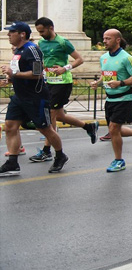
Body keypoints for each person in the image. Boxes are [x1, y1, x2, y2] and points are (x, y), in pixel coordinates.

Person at [0, 21, 67, 176]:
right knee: (10, 126)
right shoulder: (18, 51)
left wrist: (13, 74)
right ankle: (12, 162)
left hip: (35, 97)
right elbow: (20, 73)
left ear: (22, 34)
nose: (8, 35)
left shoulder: (32, 49)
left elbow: (37, 73)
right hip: (19, 97)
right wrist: (10, 79)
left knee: (45, 129)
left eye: (12, 32)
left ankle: (60, 155)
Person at [30, 17, 98, 164]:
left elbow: (79, 59)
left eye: (42, 31)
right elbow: (41, 61)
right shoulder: (41, 43)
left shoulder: (62, 42)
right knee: (59, 115)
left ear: (50, 28)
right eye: (38, 32)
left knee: (51, 115)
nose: (40, 34)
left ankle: (47, 151)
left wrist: (65, 68)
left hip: (62, 82)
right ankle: (89, 126)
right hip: (48, 81)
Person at [90, 29, 132, 172]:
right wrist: (98, 82)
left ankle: (119, 160)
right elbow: (106, 75)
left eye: (108, 38)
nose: (104, 41)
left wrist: (121, 83)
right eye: (104, 38)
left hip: (124, 98)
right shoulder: (104, 57)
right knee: (115, 131)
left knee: (113, 129)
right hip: (110, 99)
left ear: (117, 40)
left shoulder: (127, 58)